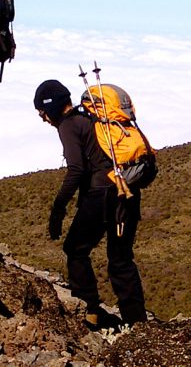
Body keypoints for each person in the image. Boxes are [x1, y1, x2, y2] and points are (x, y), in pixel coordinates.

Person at [34, 79, 147, 330]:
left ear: (52, 108)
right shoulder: (92, 120)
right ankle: (137, 324)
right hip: (127, 191)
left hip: (102, 196)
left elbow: (76, 170)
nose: (42, 118)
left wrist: (58, 208)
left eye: (42, 111)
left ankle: (88, 309)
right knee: (121, 260)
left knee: (75, 248)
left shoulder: (69, 125)